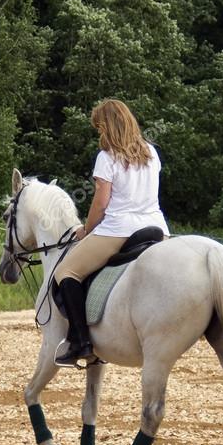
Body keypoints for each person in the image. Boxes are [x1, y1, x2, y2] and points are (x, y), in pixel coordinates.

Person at [53, 99, 170, 367]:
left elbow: (101, 203)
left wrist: (86, 230)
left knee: (65, 273)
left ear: (107, 126)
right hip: (157, 228)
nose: (99, 134)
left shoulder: (106, 158)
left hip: (119, 229)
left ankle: (81, 341)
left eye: (99, 128)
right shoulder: (151, 153)